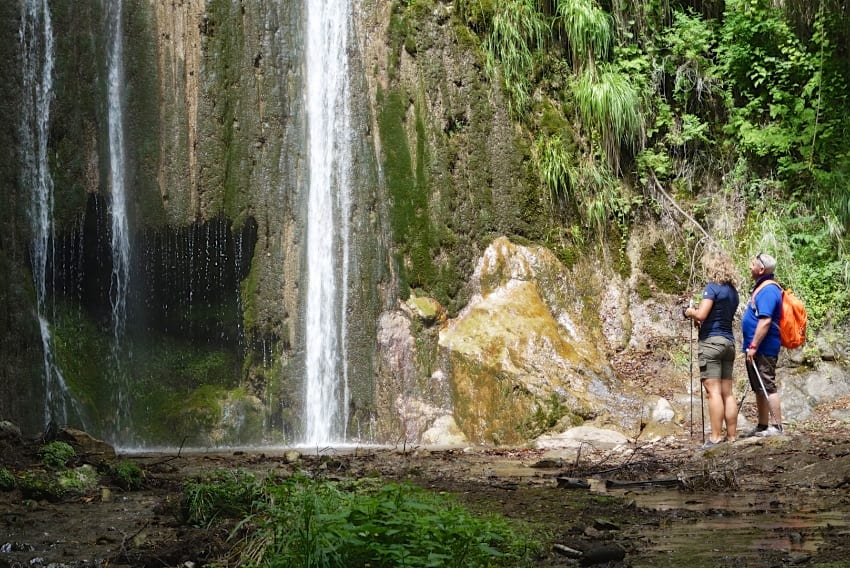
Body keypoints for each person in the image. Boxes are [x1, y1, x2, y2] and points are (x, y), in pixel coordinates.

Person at [684, 250, 740, 449]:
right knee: (727, 393)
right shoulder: (733, 293)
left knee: (713, 392)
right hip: (729, 343)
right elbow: (719, 315)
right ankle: (731, 437)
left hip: (711, 343)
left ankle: (715, 438)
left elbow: (702, 314)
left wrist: (689, 312)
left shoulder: (712, 288)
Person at [740, 252, 784, 437]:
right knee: (759, 387)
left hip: (763, 347)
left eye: (753, 264)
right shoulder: (763, 287)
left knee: (767, 385)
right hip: (757, 347)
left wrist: (754, 346)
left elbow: (765, 321)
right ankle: (762, 425)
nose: (750, 266)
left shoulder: (768, 290)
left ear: (761, 269)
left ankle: (776, 426)